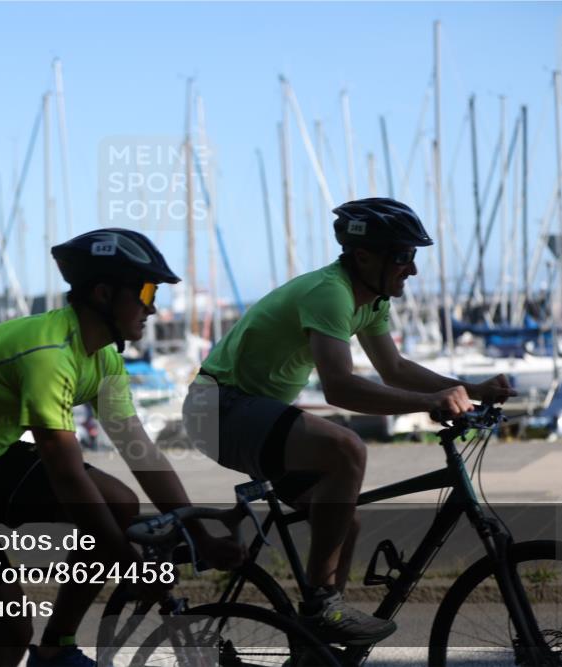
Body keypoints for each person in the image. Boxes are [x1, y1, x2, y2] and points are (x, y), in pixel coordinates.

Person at [0, 228, 245, 667]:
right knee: (10, 633)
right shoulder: (49, 355)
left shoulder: (103, 356)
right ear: (103, 293)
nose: (152, 306)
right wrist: (129, 566)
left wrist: (201, 537)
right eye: (147, 291)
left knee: (119, 503)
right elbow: (67, 475)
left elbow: (140, 450)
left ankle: (57, 645)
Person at [183, 198, 516, 646]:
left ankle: (315, 649)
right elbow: (339, 387)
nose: (412, 269)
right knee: (346, 448)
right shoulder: (331, 293)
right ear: (363, 256)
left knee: (343, 523)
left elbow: (393, 368)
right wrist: (428, 402)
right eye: (402, 256)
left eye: (413, 256)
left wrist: (470, 389)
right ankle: (322, 607)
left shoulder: (371, 300)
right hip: (218, 408)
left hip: (251, 413)